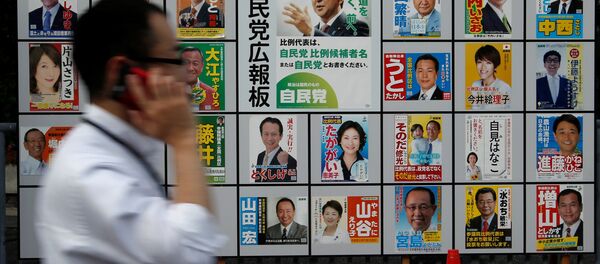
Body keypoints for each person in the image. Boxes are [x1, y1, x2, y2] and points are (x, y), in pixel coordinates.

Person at [36, 1, 226, 263]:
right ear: (122, 72)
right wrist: (183, 140)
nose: (184, 74)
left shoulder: (118, 146)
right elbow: (191, 252)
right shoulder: (91, 173)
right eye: (173, 59)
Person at [282, 0, 369, 37]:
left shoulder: (357, 26)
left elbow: (346, 57)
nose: (318, 0)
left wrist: (311, 31)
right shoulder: (309, 33)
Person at [255, 117, 298, 181]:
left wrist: (284, 165)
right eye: (266, 134)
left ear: (281, 136)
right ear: (261, 135)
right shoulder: (260, 156)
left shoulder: (290, 161)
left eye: (274, 134)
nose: (269, 138)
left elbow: (293, 184)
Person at [470, 45, 511, 109]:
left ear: (495, 66)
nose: (483, 67)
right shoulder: (475, 85)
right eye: (479, 62)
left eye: (488, 63)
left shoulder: (503, 88)